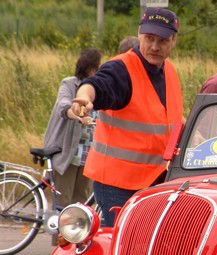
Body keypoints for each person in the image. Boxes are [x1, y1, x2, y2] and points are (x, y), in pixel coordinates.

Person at [69, 8, 184, 227]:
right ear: (139, 35)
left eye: (162, 40)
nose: (154, 47)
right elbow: (97, 85)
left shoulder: (169, 71)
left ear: (174, 41)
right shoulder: (121, 69)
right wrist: (84, 96)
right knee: (124, 249)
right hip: (118, 185)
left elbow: (169, 117)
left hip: (155, 180)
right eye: (149, 39)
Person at [43, 48, 102, 208]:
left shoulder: (98, 89)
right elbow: (63, 106)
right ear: (91, 68)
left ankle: (78, 234)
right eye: (98, 67)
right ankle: (59, 234)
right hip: (67, 154)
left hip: (88, 156)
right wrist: (78, 116)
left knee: (82, 206)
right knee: (63, 204)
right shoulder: (69, 83)